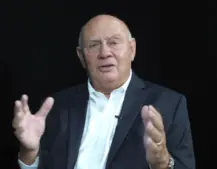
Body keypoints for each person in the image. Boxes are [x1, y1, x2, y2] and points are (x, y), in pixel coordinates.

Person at [12, 14, 195, 169]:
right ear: (81, 57)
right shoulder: (57, 105)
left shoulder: (169, 103)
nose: (105, 53)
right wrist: (29, 153)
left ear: (132, 50)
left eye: (114, 43)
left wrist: (163, 162)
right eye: (93, 45)